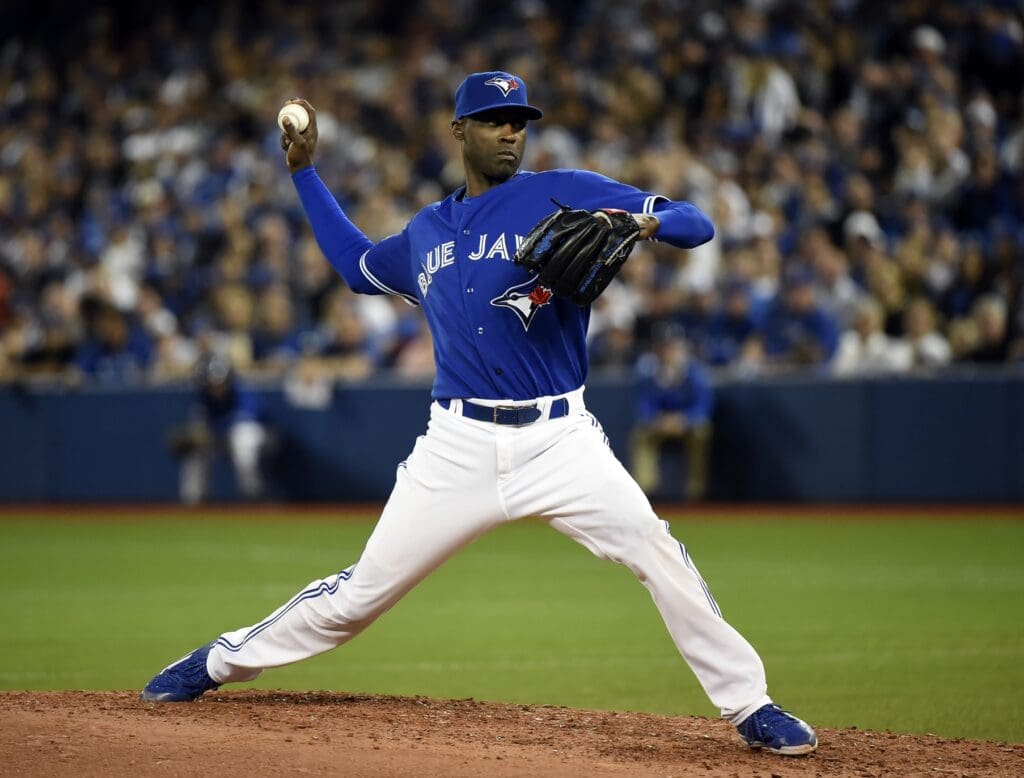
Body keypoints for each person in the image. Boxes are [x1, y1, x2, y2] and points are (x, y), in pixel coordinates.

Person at [141, 72, 817, 756]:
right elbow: (355, 266)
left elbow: (695, 223)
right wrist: (306, 174)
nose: (511, 131)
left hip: (561, 440)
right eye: (494, 119)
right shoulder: (428, 230)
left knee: (656, 550)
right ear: (459, 131)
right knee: (358, 596)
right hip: (456, 444)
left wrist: (639, 221)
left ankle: (751, 705)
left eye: (519, 120)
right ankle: (219, 661)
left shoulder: (564, 190)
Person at [167, 353, 270, 505]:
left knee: (243, 439)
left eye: (220, 384)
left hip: (259, 438)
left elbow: (249, 420)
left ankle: (252, 496)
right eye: (211, 384)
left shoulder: (242, 393)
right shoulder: (202, 398)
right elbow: (199, 427)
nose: (216, 388)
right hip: (219, 439)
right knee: (195, 449)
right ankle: (193, 501)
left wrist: (211, 431)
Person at [630, 328, 714, 502]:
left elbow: (703, 405)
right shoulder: (649, 372)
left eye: (671, 347)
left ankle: (696, 491)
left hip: (686, 424)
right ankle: (646, 490)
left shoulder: (693, 371)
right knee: (641, 434)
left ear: (680, 348)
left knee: (702, 431)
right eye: (664, 347)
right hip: (660, 424)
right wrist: (657, 420)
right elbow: (644, 404)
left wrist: (683, 420)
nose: (667, 352)